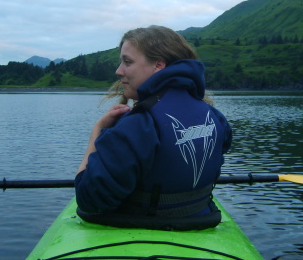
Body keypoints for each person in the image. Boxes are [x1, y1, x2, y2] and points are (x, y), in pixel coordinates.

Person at [75, 25, 232, 230]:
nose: (118, 70)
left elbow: (89, 199)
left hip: (144, 223)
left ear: (158, 65)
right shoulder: (214, 117)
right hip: (200, 218)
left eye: (127, 62)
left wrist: (96, 134)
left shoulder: (138, 124)